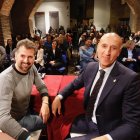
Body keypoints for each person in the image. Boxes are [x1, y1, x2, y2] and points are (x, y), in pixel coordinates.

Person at [52, 33, 140, 140]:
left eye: (113, 48)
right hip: (87, 120)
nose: (107, 52)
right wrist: (59, 96)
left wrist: (106, 138)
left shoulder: (130, 79)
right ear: (97, 47)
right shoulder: (90, 67)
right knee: (58, 128)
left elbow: (132, 125)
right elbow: (74, 84)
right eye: (104, 46)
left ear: (119, 53)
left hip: (108, 130)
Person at [0, 39, 50, 140]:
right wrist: (25, 137)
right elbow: (3, 118)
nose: (26, 61)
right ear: (15, 56)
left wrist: (45, 103)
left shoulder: (31, 68)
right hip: (13, 120)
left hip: (25, 112)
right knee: (46, 121)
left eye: (30, 57)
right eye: (22, 56)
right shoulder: (6, 78)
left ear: (34, 58)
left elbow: (42, 86)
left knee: (49, 114)